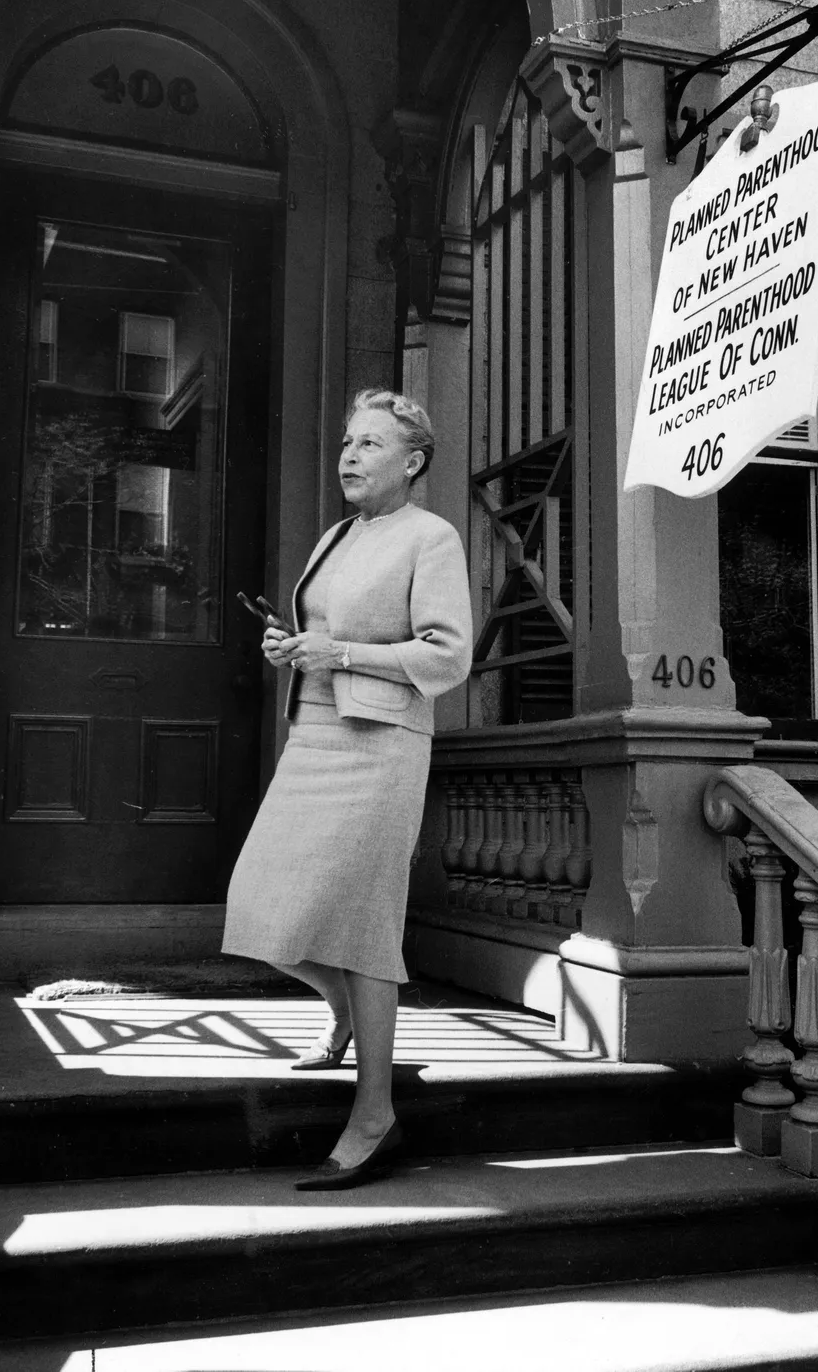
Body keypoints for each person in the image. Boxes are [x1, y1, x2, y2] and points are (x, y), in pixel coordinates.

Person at [222, 389, 473, 1189]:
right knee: (260, 901)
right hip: (316, 734)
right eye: (347, 442)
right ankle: (342, 1015)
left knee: (365, 928)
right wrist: (289, 646)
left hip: (382, 744)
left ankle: (374, 1117)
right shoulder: (334, 536)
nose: (351, 456)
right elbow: (326, 636)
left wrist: (340, 655)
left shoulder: (431, 537)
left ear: (414, 461)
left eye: (371, 444)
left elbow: (446, 657)